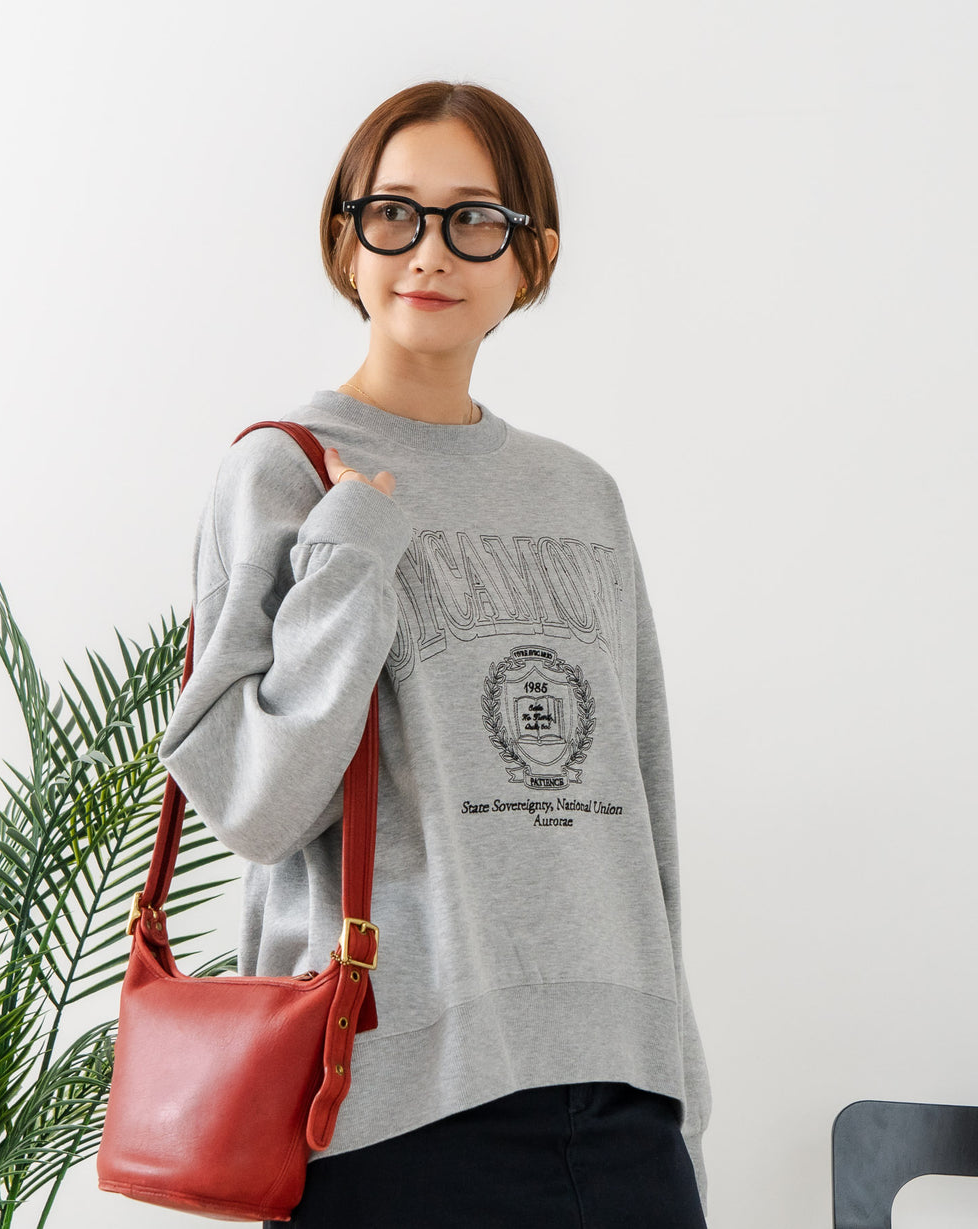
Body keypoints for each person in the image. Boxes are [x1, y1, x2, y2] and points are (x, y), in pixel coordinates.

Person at [159, 79, 711, 1228]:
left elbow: (641, 790)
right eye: (393, 213)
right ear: (344, 239)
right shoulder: (282, 470)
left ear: (532, 255)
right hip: (391, 1102)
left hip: (621, 1097)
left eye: (475, 219)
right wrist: (352, 549)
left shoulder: (580, 493)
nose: (429, 250)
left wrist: (678, 1082)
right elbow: (257, 808)